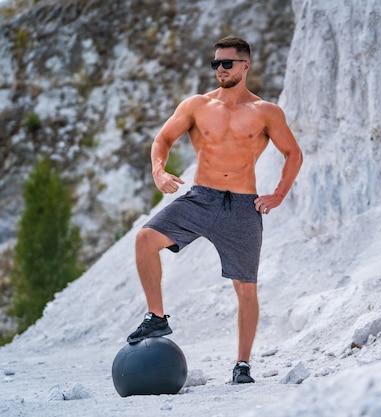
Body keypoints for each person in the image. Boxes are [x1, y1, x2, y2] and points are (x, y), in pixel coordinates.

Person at [126, 36, 303, 385]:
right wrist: (158, 171)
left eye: (227, 63)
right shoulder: (197, 105)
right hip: (201, 197)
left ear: (245, 65)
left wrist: (279, 194)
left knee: (246, 288)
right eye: (215, 64)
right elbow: (162, 140)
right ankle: (156, 315)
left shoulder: (266, 112)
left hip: (241, 205)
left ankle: (242, 365)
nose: (219, 69)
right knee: (146, 238)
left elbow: (293, 153)